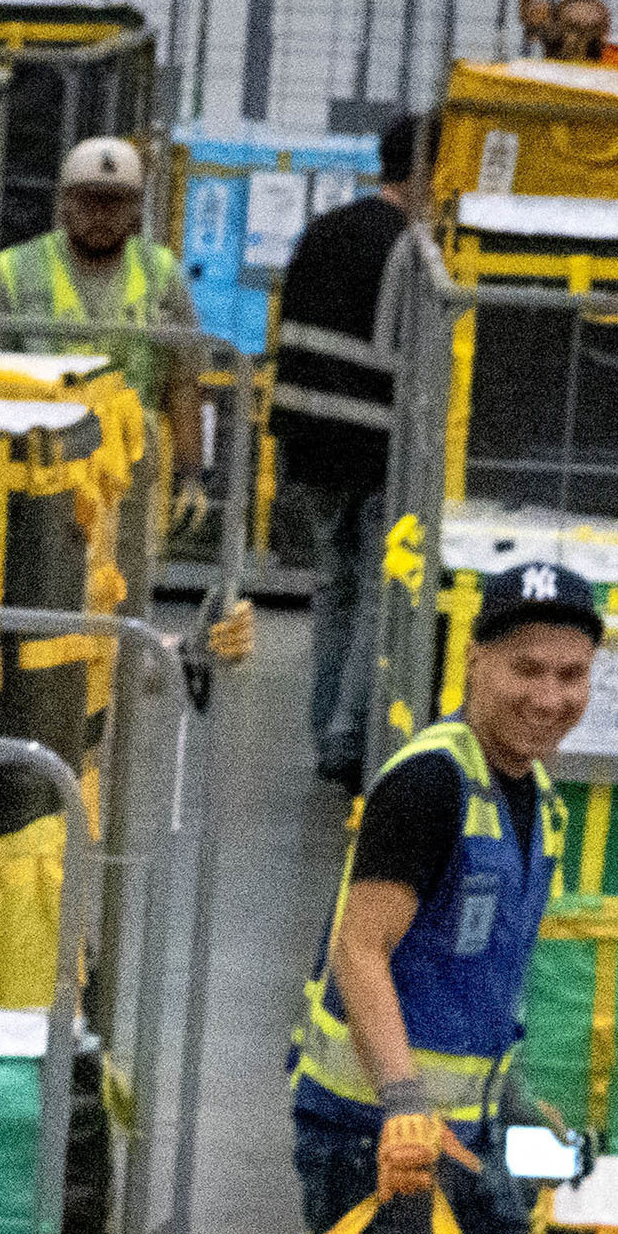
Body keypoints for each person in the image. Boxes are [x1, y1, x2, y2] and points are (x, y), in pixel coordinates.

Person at [287, 555, 605, 1234]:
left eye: (570, 675)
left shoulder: (540, 803)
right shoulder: (431, 783)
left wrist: (509, 1097)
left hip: (468, 1137)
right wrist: (403, 1102)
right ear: (473, 661)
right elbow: (359, 946)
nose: (549, 697)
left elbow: (471, 978)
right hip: (378, 1142)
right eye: (526, 669)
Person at [267, 119, 426, 791]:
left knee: (331, 586)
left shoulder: (324, 228)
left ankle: (324, 728)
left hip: (307, 439)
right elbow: (409, 355)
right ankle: (346, 736)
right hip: (374, 442)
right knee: (376, 592)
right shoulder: (414, 249)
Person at [0, 133, 202, 424]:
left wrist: (189, 470)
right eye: (88, 201)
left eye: (114, 202)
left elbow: (183, 384)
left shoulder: (162, 272)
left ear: (136, 210)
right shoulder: (13, 269)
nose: (100, 215)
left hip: (135, 456)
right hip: (37, 453)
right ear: (64, 204)